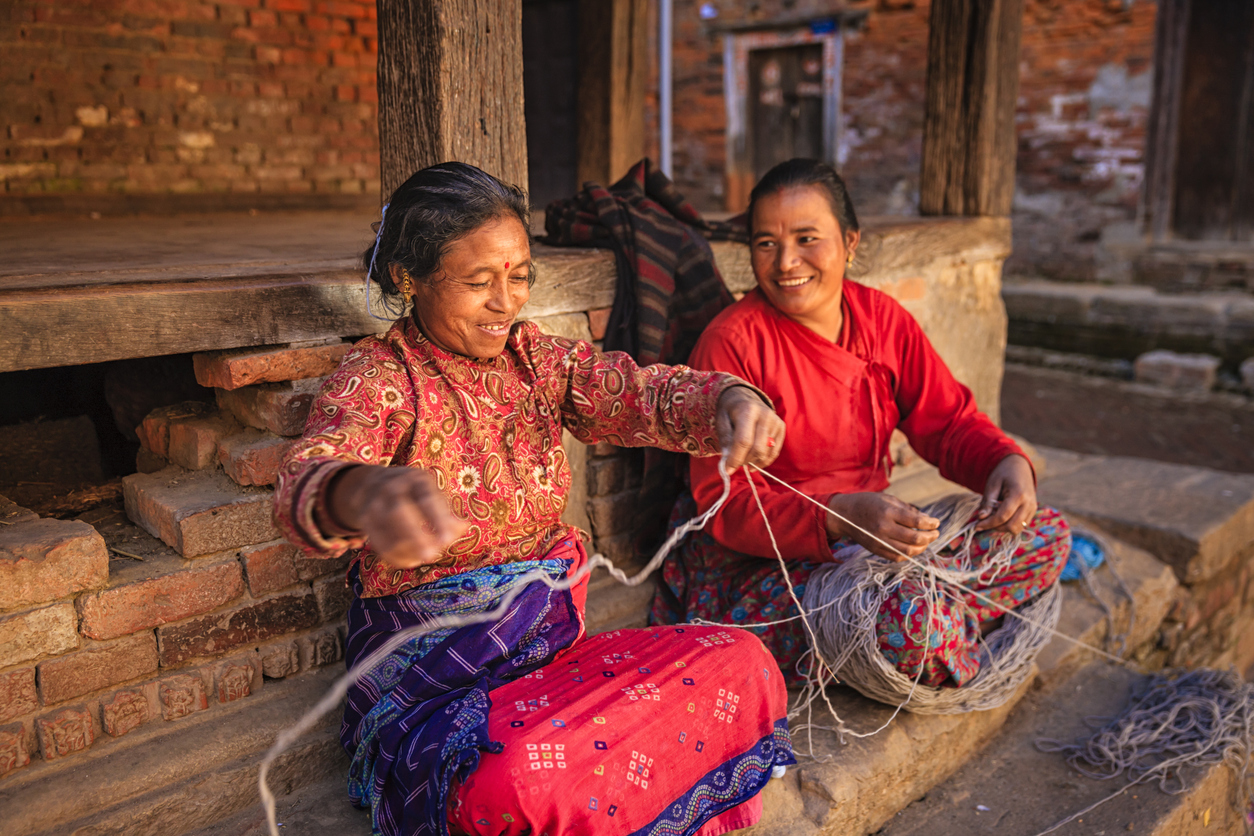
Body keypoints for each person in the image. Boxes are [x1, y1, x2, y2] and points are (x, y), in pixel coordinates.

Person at [273, 162, 795, 836]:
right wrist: (359, 490)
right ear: (409, 278)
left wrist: (728, 397)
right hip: (449, 703)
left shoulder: (537, 362)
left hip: (552, 671)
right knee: (519, 778)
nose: (505, 303)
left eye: (519, 276)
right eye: (478, 282)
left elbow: (636, 391)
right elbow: (309, 472)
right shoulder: (379, 379)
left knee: (742, 664)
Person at [651, 158, 1071, 689]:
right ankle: (938, 628)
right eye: (765, 243)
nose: (786, 262)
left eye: (807, 238)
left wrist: (1004, 460)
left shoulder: (883, 320)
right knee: (907, 622)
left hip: (874, 546)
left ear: (850, 243)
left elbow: (947, 422)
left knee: (1046, 533)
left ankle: (936, 625)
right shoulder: (732, 342)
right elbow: (725, 504)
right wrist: (839, 516)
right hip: (767, 568)